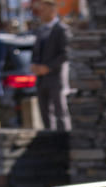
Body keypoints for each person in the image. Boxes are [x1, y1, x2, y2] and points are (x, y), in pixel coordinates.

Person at [31, 0, 71, 131]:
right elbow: (36, 51)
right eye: (40, 9)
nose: (41, 12)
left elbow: (66, 53)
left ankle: (63, 141)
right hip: (41, 79)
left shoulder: (62, 29)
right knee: (44, 113)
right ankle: (49, 143)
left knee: (60, 112)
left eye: (44, 9)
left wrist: (48, 67)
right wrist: (34, 65)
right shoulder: (40, 30)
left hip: (55, 78)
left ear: (53, 10)